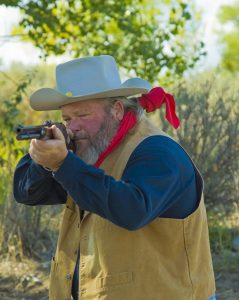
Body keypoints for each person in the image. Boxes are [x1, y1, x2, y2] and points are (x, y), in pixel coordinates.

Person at [13, 55, 216, 300]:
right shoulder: (92, 149)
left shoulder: (158, 151)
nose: (73, 127)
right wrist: (44, 161)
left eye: (83, 115)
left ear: (117, 110)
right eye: (67, 119)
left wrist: (63, 163)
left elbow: (131, 210)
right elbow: (27, 193)